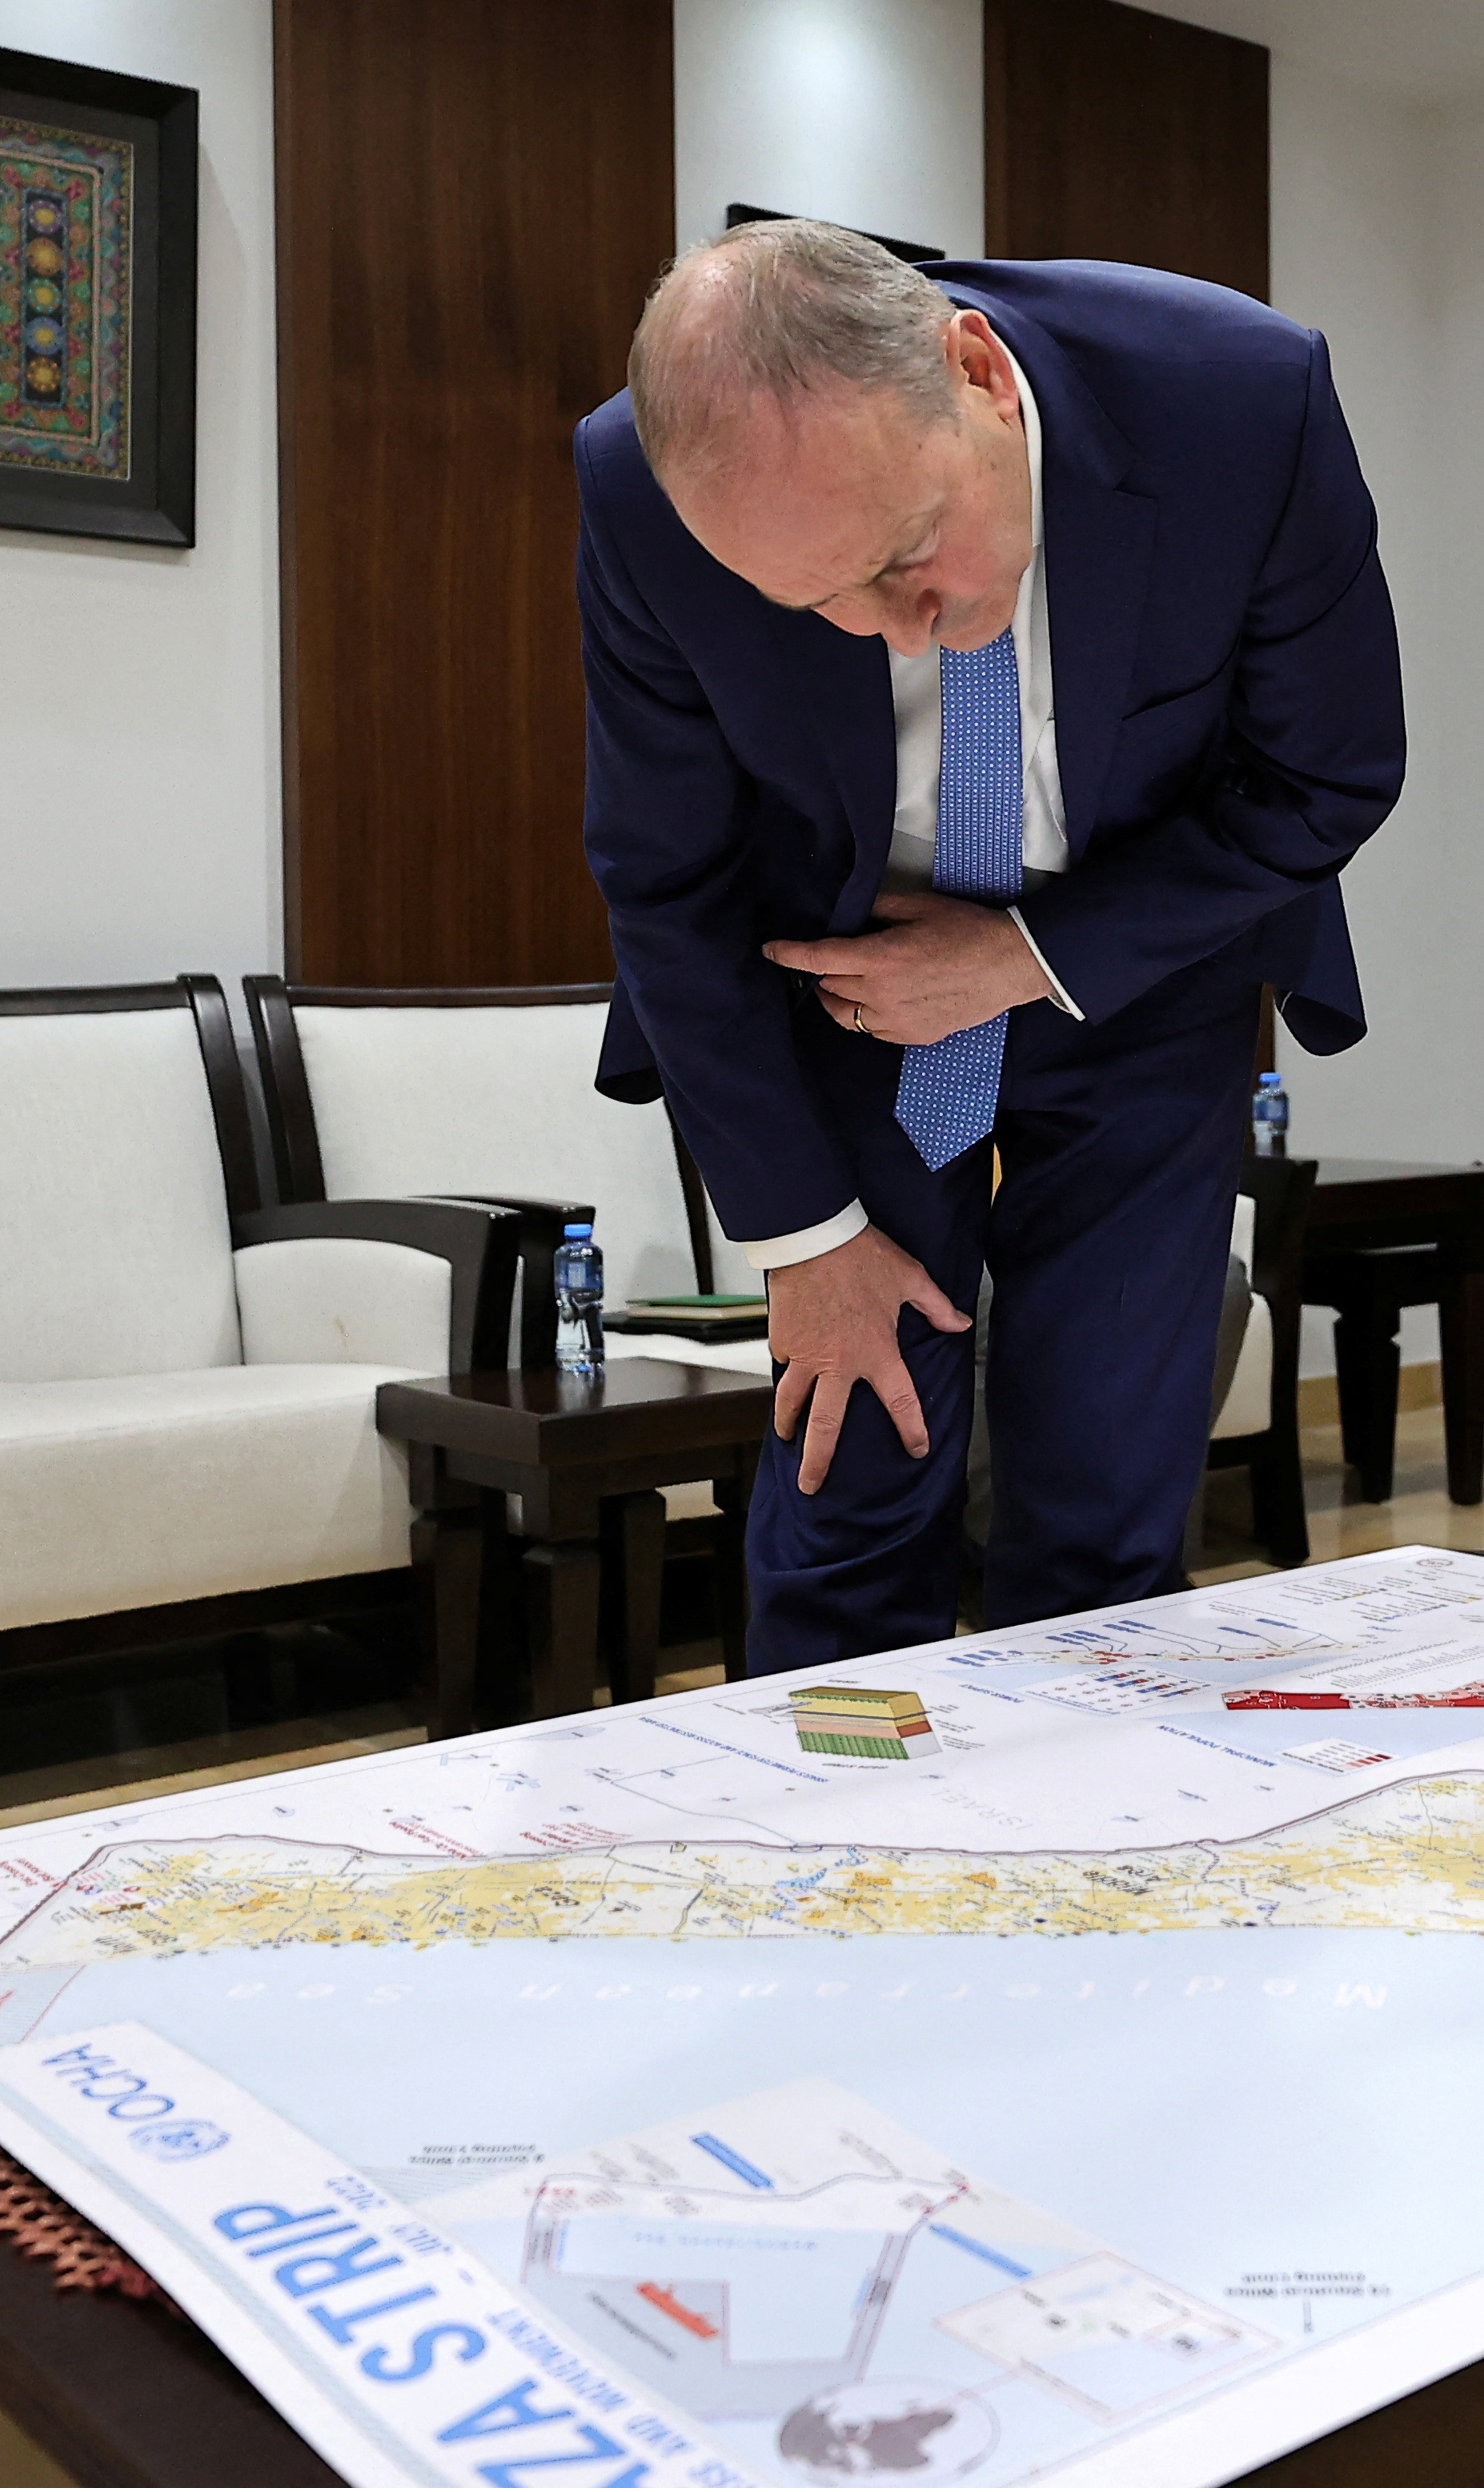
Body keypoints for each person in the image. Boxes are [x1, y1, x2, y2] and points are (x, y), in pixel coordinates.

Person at [575, 220, 1403, 1667]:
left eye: (903, 558)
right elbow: (667, 878)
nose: (890, 634)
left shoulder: (1238, 402)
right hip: (838, 985)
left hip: (1139, 972)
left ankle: (1061, 1869)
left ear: (976, 375)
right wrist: (805, 1236)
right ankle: (830, 1865)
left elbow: (1327, 774)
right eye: (813, 602)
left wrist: (1025, 956)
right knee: (849, 1488)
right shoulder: (639, 489)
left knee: (1102, 1501)